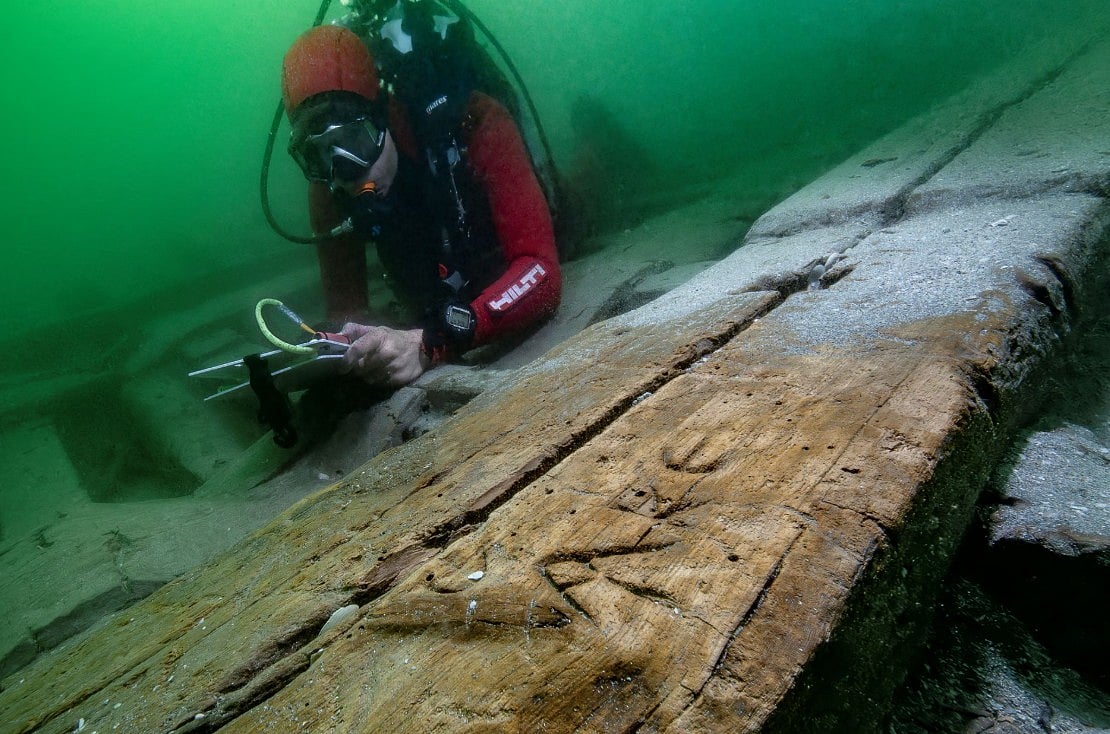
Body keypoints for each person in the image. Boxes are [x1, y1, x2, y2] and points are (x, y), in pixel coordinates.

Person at [280, 23, 561, 388]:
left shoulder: (473, 120)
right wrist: (340, 346)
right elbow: (347, 311)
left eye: (354, 140)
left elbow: (540, 271)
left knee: (572, 217)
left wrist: (433, 342)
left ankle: (597, 143)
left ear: (382, 115)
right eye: (316, 155)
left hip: (500, 257)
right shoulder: (328, 187)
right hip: (439, 287)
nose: (343, 172)